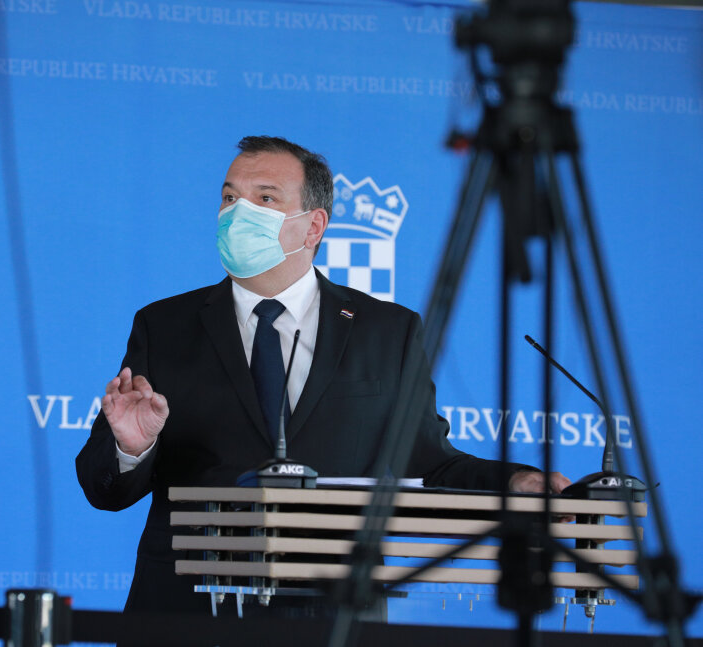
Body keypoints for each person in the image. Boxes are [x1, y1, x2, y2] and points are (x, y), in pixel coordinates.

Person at [75, 136, 569, 619]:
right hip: (186, 611)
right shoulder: (164, 326)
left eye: (264, 199)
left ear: (313, 226)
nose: (237, 213)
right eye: (229, 198)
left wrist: (515, 482)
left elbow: (427, 462)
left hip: (332, 612)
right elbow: (104, 492)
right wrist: (131, 448)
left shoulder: (388, 332)